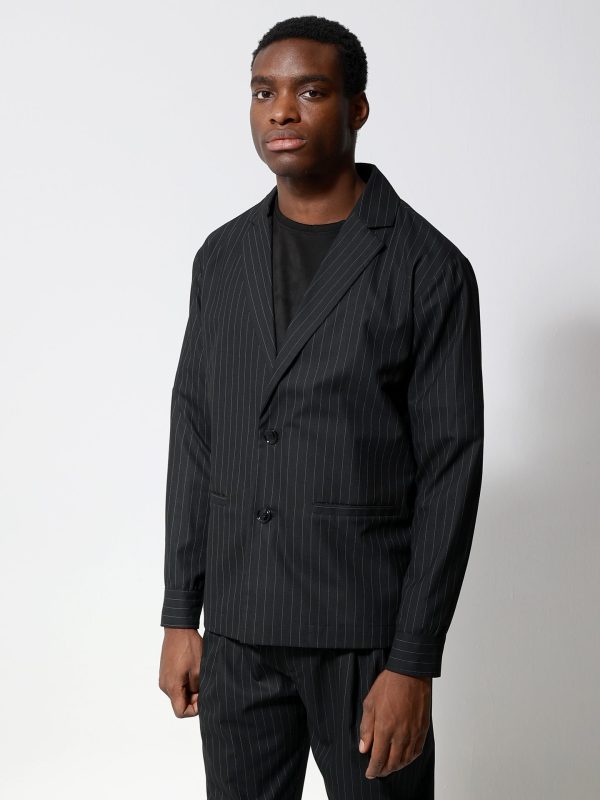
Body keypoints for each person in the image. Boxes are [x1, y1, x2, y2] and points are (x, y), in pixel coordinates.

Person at [158, 14, 484, 799]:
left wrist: (412, 661)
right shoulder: (222, 257)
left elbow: (450, 473)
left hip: (364, 638)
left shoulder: (427, 266)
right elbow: (196, 434)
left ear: (357, 107)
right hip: (239, 632)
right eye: (263, 92)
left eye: (309, 91)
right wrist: (180, 614)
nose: (281, 110)